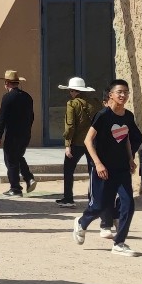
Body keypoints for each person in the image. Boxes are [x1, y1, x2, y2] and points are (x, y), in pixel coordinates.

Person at [74, 79, 141, 255]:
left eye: (126, 92)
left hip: (122, 168)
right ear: (111, 95)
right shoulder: (103, 115)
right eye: (119, 92)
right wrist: (98, 163)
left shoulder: (128, 116)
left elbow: (126, 138)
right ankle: (82, 222)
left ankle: (119, 243)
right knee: (100, 205)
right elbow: (88, 140)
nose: (123, 95)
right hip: (103, 168)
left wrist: (130, 158)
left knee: (128, 204)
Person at [0, 69, 37, 195]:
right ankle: (28, 177)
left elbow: (2, 118)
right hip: (25, 133)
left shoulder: (7, 97)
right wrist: (27, 129)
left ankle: (15, 188)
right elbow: (31, 116)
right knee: (18, 156)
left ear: (7, 83)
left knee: (11, 160)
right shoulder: (27, 97)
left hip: (12, 134)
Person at [58, 77, 98, 206]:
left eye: (70, 90)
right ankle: (94, 198)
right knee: (93, 170)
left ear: (73, 91)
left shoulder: (72, 104)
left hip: (77, 142)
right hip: (93, 142)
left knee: (68, 170)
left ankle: (68, 198)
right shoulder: (95, 103)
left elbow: (70, 126)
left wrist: (67, 144)